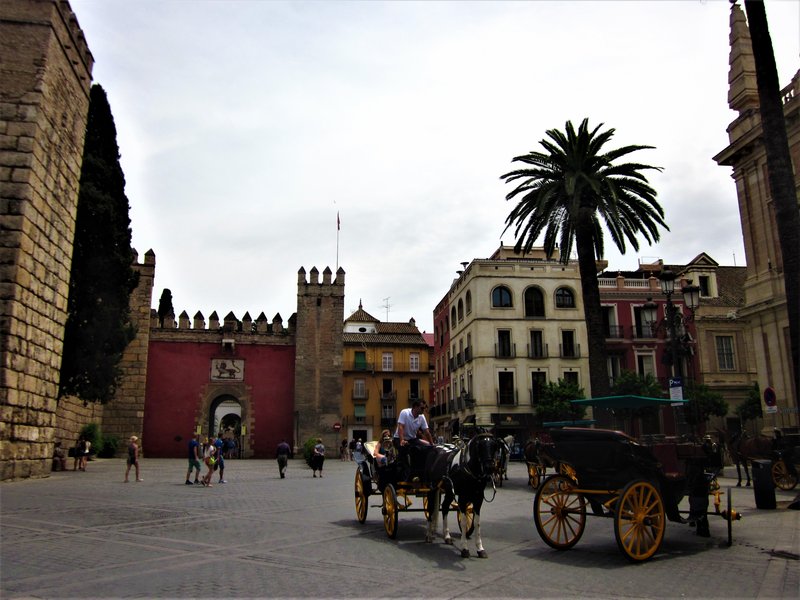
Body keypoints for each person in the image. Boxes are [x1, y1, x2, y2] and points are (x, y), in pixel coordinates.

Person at [393, 400, 434, 480]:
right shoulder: (405, 413)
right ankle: (404, 473)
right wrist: (402, 440)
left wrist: (432, 444)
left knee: (427, 448)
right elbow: (401, 427)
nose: (423, 410)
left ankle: (422, 471)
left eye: (425, 408)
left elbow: (427, 432)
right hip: (399, 438)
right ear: (415, 407)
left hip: (412, 439)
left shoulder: (421, 417)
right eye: (422, 408)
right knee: (404, 451)